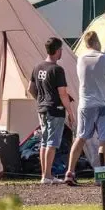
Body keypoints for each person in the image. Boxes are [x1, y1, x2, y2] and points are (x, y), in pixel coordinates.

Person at [64, 30, 105, 185]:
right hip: (102, 104)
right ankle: (102, 177)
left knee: (80, 137)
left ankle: (70, 172)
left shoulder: (80, 59)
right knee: (104, 140)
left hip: (85, 104)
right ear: (97, 43)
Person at [28, 37, 74, 184]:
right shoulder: (57, 70)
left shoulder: (37, 67)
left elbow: (30, 88)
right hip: (55, 109)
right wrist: (70, 112)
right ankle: (47, 176)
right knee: (52, 143)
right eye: (61, 50)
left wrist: (40, 100)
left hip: (41, 109)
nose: (61, 53)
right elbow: (63, 93)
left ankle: (44, 174)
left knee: (44, 141)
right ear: (57, 51)